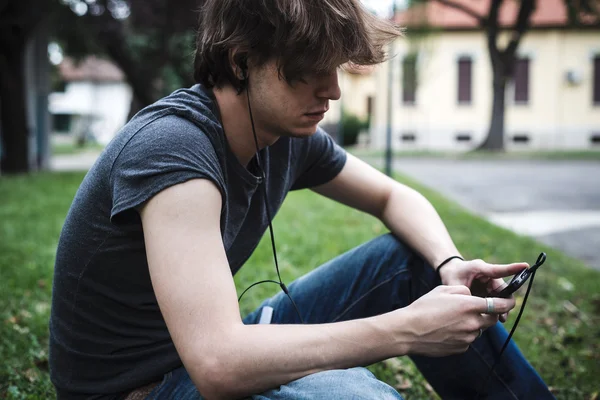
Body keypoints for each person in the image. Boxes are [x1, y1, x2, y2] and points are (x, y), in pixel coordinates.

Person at [48, 0, 555, 399]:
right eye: (311, 68)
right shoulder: (173, 149)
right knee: (363, 399)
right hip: (142, 387)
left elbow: (393, 196)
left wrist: (449, 263)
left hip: (208, 350)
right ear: (242, 60)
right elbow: (219, 365)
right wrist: (407, 330)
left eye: (335, 68)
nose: (333, 90)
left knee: (408, 259)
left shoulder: (287, 138)